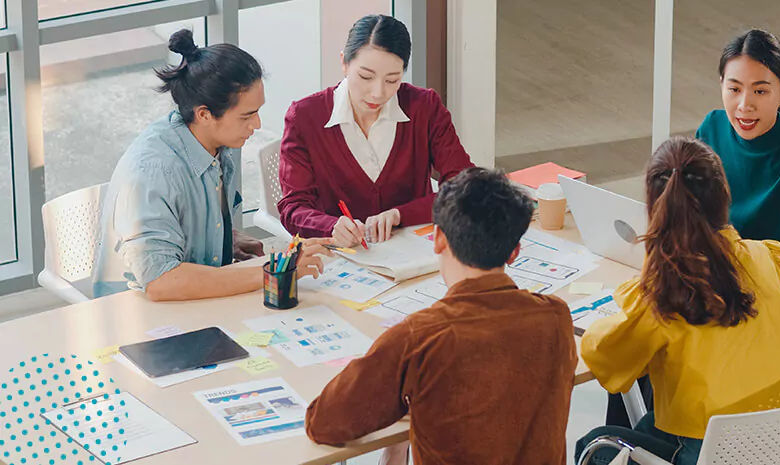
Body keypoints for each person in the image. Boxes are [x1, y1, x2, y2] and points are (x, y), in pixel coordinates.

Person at [305, 167, 578, 465]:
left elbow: (323, 424)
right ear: (515, 252)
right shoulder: (556, 317)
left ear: (437, 239)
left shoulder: (420, 337)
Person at [576, 137, 780, 465]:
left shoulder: (665, 295)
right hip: (768, 440)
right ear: (724, 197)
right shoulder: (768, 258)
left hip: (699, 450)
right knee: (647, 420)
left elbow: (605, 359)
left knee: (593, 445)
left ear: (655, 210)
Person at [93, 29, 330, 301]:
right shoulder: (154, 171)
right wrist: (273, 272)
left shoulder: (218, 143)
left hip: (196, 302)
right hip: (140, 314)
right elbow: (161, 281)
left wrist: (223, 239)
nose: (257, 125)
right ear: (204, 114)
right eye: (247, 116)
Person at [696, 28, 780, 355]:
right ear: (721, 86)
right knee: (641, 335)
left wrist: (733, 252)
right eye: (734, 89)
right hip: (719, 287)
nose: (744, 106)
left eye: (760, 91)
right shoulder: (712, 129)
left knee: (689, 347)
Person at [278, 14, 474, 248]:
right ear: (344, 63)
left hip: (414, 251)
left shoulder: (425, 107)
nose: (378, 93)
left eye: (392, 80)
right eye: (365, 77)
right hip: (341, 258)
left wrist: (400, 215)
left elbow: (464, 186)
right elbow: (293, 208)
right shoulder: (305, 117)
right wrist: (330, 225)